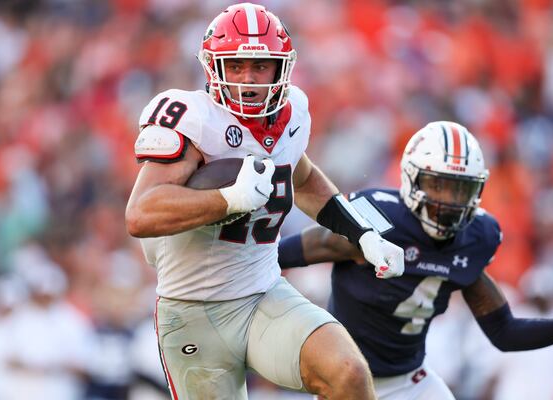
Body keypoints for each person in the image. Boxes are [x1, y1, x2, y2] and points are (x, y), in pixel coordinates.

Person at [125, 3, 404, 400]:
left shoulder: (293, 113)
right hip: (192, 313)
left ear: (281, 68)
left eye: (260, 66)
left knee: (348, 373)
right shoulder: (194, 118)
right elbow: (140, 213)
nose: (248, 79)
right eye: (236, 67)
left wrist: (362, 233)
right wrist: (229, 200)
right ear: (213, 68)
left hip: (263, 293)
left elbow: (302, 177)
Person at [279, 121, 553, 400]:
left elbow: (504, 332)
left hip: (412, 382)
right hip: (348, 382)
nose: (449, 201)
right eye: (438, 185)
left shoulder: (473, 240)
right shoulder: (374, 223)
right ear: (412, 178)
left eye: (459, 189)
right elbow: (278, 255)